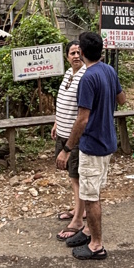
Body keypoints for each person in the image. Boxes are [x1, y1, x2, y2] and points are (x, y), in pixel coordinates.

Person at [56, 31, 125, 260]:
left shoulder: (88, 78)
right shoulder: (109, 71)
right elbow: (122, 99)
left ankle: (97, 245)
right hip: (108, 142)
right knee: (91, 191)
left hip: (92, 145)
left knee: (91, 197)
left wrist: (66, 149)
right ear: (102, 51)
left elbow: (82, 119)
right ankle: (87, 230)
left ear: (82, 53)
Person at [52, 41, 86, 240]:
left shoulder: (85, 76)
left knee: (76, 176)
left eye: (78, 52)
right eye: (72, 53)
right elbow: (62, 101)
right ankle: (77, 208)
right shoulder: (67, 74)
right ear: (67, 57)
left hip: (75, 137)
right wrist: (57, 122)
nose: (75, 56)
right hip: (62, 131)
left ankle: (79, 218)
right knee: (71, 175)